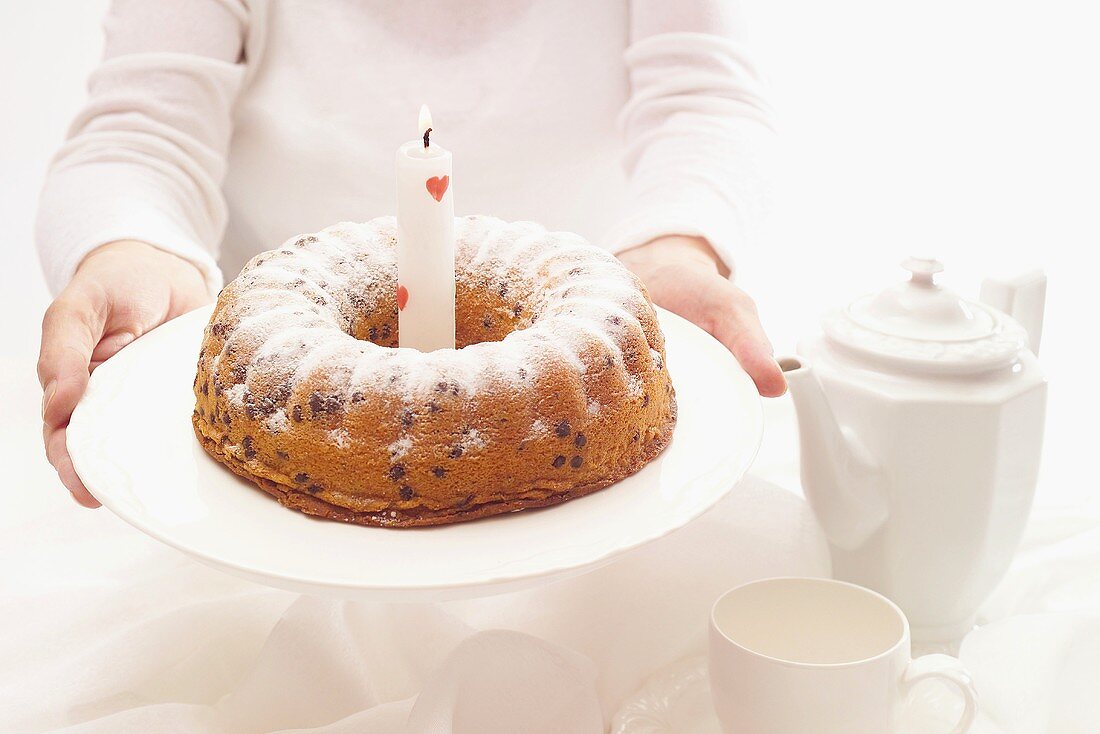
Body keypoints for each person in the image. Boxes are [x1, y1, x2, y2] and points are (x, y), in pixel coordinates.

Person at [36, 0, 786, 508]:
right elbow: (139, 130)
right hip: (282, 389)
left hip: (581, 358)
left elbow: (703, 96)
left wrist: (677, 244)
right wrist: (128, 246)